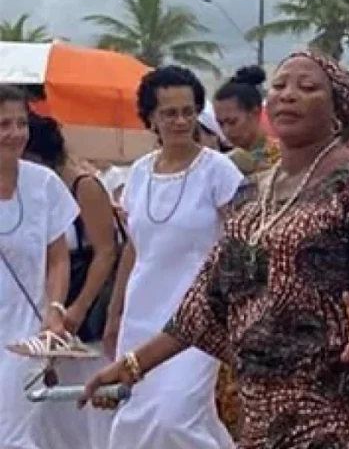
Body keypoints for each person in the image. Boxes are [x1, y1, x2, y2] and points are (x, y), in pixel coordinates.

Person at [81, 52, 349, 448]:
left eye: (308, 88)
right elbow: (207, 301)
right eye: (279, 87)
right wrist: (134, 365)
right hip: (267, 404)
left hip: (345, 400)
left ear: (338, 111)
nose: (288, 95)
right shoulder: (253, 194)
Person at [98, 66, 241, 449]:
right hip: (142, 315)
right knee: (135, 419)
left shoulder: (220, 172)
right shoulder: (139, 174)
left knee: (174, 419)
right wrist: (115, 315)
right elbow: (135, 248)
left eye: (188, 111)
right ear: (151, 119)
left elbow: (242, 245)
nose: (180, 121)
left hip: (197, 319)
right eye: (169, 113)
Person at [21, 112, 121, 448]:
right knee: (51, 414)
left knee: (87, 408)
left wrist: (76, 309)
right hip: (49, 316)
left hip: (83, 314)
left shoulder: (82, 186)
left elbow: (106, 252)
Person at [0, 86, 78, 448]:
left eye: (21, 123)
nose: (15, 133)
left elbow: (59, 256)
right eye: (3, 124)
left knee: (13, 433)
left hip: (25, 336)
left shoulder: (43, 184)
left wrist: (56, 310)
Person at [213, 65, 280, 171]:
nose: (226, 131)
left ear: (255, 113)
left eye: (232, 122)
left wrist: (254, 167)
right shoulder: (222, 161)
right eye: (221, 124)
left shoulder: (284, 155)